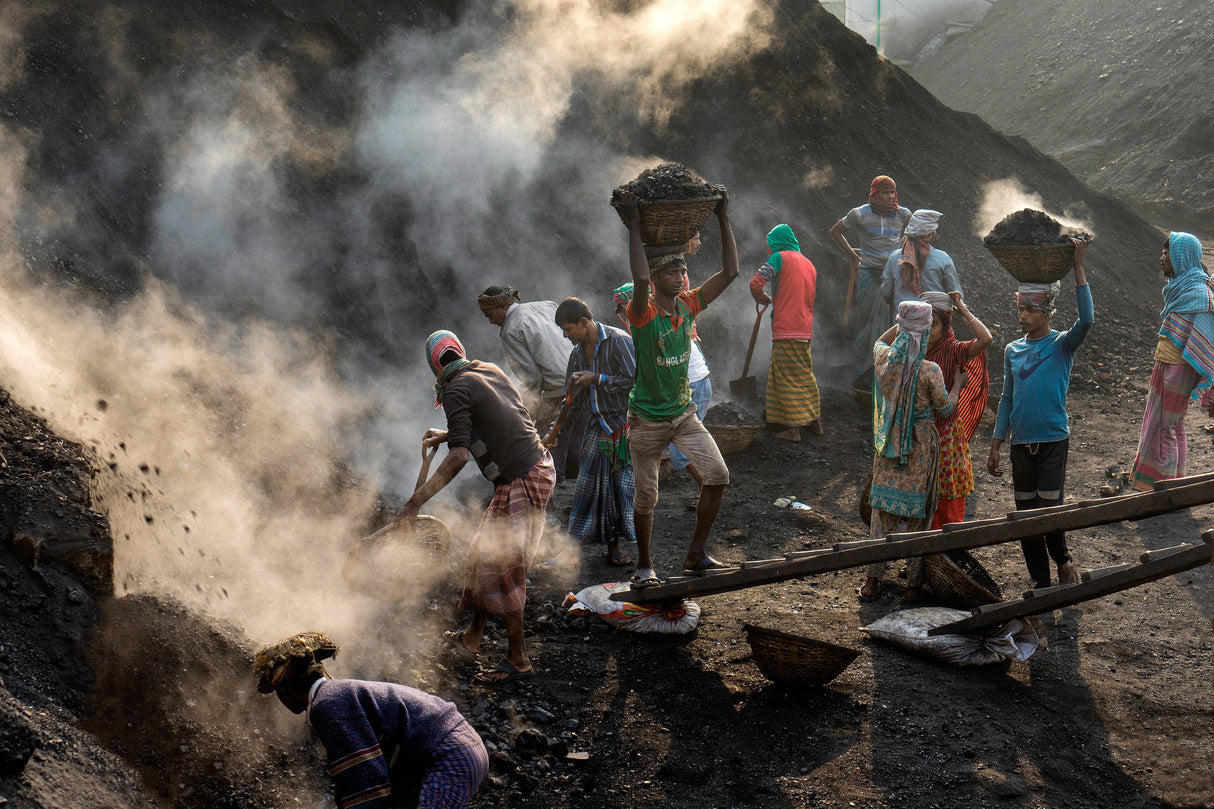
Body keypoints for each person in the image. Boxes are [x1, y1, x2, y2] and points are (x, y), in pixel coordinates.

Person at [394, 330, 555, 684]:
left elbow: (459, 458)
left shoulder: (454, 390)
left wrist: (413, 504)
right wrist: (450, 433)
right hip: (537, 465)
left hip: (521, 477)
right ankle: (472, 638)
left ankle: (518, 660)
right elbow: (497, 416)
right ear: (459, 352)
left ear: (435, 367)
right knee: (484, 555)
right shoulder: (486, 369)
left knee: (504, 566)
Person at [614, 188, 738, 587]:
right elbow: (638, 276)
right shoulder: (642, 314)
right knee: (646, 498)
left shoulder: (688, 304)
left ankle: (695, 554)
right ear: (655, 280)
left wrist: (723, 217)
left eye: (683, 271)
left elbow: (731, 273)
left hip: (683, 415)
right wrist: (635, 223)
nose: (681, 277)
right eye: (671, 272)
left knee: (717, 475)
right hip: (646, 420)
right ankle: (644, 564)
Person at [253, 632, 488, 809]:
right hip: (457, 747)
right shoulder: (336, 695)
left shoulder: (327, 705)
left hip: (448, 754)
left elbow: (364, 780)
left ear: (284, 688)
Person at [987, 239, 1092, 589]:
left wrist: (1078, 267)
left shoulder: (1062, 344)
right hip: (1021, 444)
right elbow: (1007, 398)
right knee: (1026, 517)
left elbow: (1087, 320)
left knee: (1049, 511)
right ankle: (1041, 584)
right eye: (1020, 309)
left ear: (1047, 311)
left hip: (1052, 441)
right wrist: (996, 443)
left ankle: (1063, 560)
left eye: (1030, 310)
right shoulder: (1012, 350)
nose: (1022, 316)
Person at [859, 301, 963, 604]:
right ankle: (913, 587)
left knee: (881, 519)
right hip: (920, 451)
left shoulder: (883, 361)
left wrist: (904, 323)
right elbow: (946, 409)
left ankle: (872, 583)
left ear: (902, 328)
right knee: (918, 519)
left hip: (889, 449)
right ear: (924, 331)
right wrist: (958, 385)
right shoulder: (930, 371)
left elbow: (880, 341)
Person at [548, 296, 636, 565]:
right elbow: (571, 400)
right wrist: (554, 432)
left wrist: (597, 379)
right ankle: (571, 551)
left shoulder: (619, 341)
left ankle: (614, 549)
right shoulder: (577, 355)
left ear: (583, 322)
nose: (565, 335)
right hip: (598, 427)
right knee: (586, 491)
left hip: (624, 428)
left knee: (619, 492)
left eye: (567, 329)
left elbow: (635, 381)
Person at [1130, 232, 1214, 490]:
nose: (1162, 258)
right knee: (1167, 424)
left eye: (1167, 253)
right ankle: (1169, 483)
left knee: (1166, 426)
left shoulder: (1199, 294)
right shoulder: (1181, 288)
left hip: (1179, 368)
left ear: (1181, 256)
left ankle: (1166, 487)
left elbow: (1204, 337)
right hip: (1166, 364)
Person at [477, 286, 579, 483]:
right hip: (582, 374)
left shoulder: (510, 330)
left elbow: (531, 379)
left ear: (501, 307)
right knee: (575, 431)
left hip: (559, 386)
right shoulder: (546, 305)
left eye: (489, 314)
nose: (490, 321)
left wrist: (526, 413)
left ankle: (553, 486)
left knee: (543, 440)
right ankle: (576, 479)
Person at [829, 175, 911, 394]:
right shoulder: (860, 214)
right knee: (865, 323)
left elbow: (914, 233)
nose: (890, 196)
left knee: (891, 321)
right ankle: (862, 370)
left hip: (892, 276)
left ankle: (884, 369)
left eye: (892, 192)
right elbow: (835, 231)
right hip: (868, 274)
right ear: (875, 194)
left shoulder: (903, 214)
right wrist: (853, 257)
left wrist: (901, 253)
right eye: (885, 192)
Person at [921, 290, 993, 527]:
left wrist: (962, 308)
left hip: (945, 434)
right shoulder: (912, 348)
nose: (928, 329)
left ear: (946, 324)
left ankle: (947, 542)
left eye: (934, 323)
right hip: (919, 432)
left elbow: (986, 339)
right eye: (923, 322)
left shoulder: (954, 350)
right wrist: (909, 318)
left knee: (947, 493)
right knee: (922, 494)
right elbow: (882, 344)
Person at [749, 223, 822, 442]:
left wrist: (763, 299)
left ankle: (792, 428)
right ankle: (815, 421)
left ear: (776, 243)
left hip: (787, 328)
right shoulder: (809, 264)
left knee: (784, 377)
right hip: (805, 328)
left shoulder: (779, 258)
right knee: (804, 374)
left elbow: (756, 283)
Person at [881, 209, 962, 306]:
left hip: (903, 314)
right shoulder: (943, 259)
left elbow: (886, 292)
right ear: (930, 234)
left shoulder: (894, 257)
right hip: (933, 315)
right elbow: (956, 294)